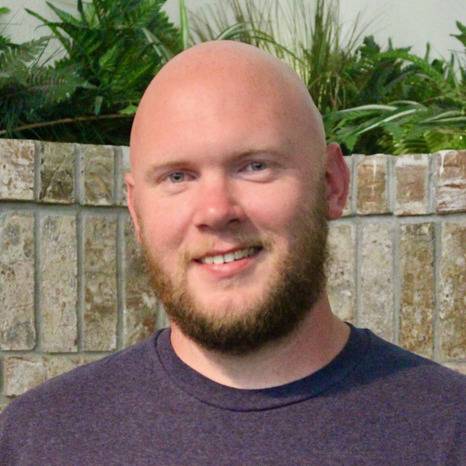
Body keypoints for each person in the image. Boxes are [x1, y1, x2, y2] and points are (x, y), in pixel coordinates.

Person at [0, 41, 464, 465]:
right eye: (177, 177)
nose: (216, 211)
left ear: (331, 185)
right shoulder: (38, 440)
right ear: (137, 211)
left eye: (254, 166)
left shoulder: (449, 432)